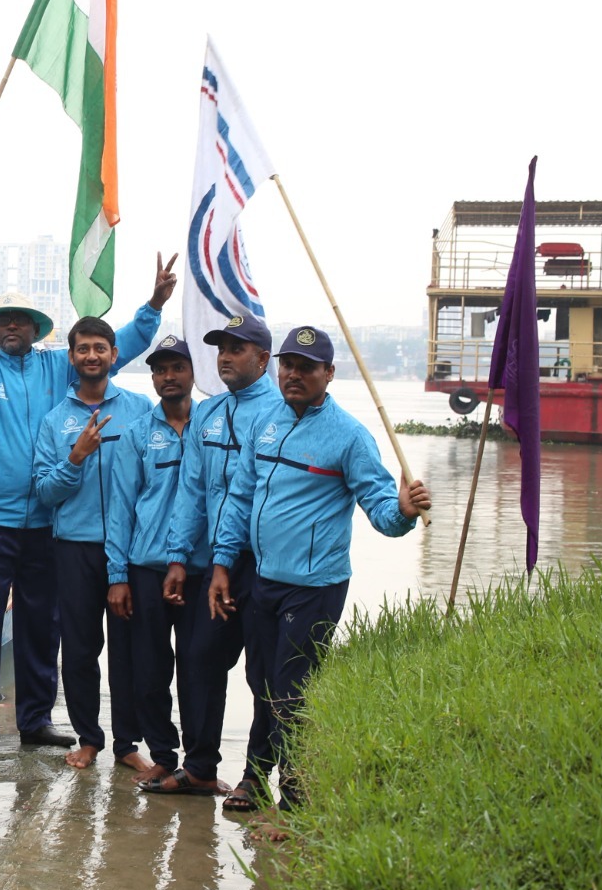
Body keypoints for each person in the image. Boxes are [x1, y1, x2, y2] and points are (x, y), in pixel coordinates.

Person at [0, 249, 177, 753]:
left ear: (37, 329)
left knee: (43, 624)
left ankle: (35, 718)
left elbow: (117, 345)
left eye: (23, 321)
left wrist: (153, 305)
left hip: (51, 523)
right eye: (4, 321)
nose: (13, 327)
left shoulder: (61, 366)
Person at [208, 326, 431, 812]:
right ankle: (254, 776)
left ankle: (295, 792)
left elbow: (381, 509)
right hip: (263, 579)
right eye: (288, 364)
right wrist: (223, 563)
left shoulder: (349, 436)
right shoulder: (264, 420)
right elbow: (240, 496)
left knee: (291, 689)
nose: (294, 374)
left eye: (307, 367)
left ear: (329, 373)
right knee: (260, 682)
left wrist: (405, 512)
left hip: (314, 586)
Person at [159, 313, 282, 812]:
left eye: (237, 348)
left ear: (263, 358)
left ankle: (257, 776)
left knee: (264, 676)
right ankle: (201, 767)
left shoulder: (280, 414)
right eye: (221, 349)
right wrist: (176, 557)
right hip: (213, 567)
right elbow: (191, 491)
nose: (225, 357)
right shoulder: (208, 416)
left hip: (266, 566)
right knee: (197, 658)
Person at [102, 334, 221, 794]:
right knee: (149, 670)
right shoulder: (136, 435)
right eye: (160, 369)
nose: (169, 377)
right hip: (146, 569)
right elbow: (120, 510)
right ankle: (163, 757)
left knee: (200, 667)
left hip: (202, 570)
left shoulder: (213, 430)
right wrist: (117, 577)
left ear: (194, 373)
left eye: (178, 367)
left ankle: (199, 764)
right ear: (152, 378)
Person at [33, 317, 150, 770]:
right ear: (72, 357)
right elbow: (44, 491)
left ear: (114, 355)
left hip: (130, 548)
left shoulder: (140, 409)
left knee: (128, 648)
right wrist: (75, 458)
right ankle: (88, 737)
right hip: (73, 547)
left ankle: (126, 744)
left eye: (100, 348)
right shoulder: (55, 421)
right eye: (82, 349)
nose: (91, 356)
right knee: (80, 648)